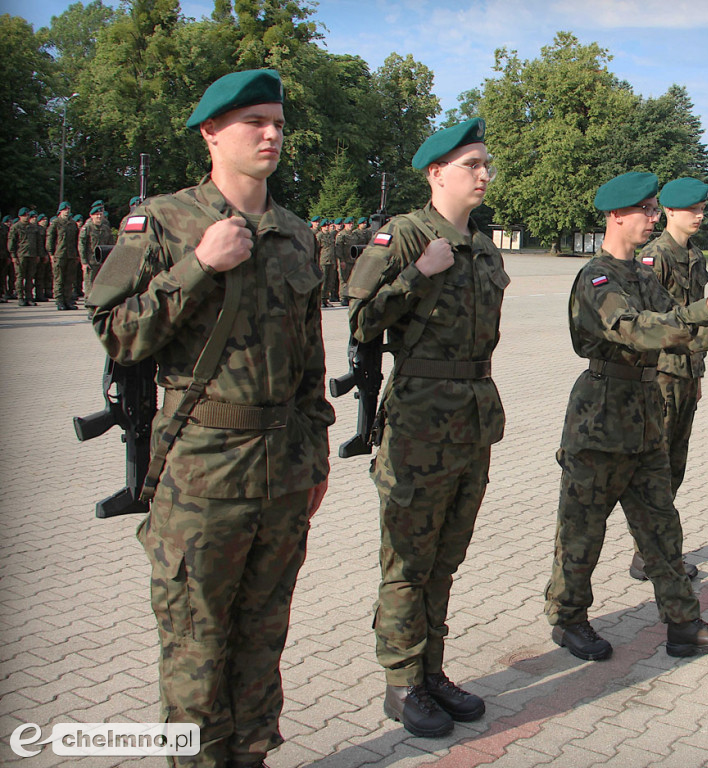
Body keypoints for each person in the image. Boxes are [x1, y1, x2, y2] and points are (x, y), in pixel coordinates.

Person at [88, 68, 335, 767]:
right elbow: (116, 330)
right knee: (197, 645)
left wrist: (315, 458)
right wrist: (197, 265)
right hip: (202, 473)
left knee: (263, 639)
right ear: (211, 133)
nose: (270, 134)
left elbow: (309, 357)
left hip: (283, 470)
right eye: (255, 122)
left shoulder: (294, 232)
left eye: (279, 124)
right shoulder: (164, 222)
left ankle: (252, 756)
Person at [544, 171, 708, 663]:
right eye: (646, 210)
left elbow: (676, 335)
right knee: (581, 532)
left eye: (656, 209)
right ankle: (569, 618)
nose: (654, 217)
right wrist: (702, 311)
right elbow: (638, 331)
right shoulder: (597, 277)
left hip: (644, 418)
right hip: (600, 419)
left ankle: (683, 624)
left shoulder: (641, 274)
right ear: (617, 215)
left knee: (662, 529)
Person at [347, 117, 506, 738]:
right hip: (418, 419)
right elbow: (361, 319)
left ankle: (432, 671)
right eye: (473, 165)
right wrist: (421, 273)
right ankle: (402, 682)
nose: (485, 174)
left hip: (472, 416)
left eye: (486, 164)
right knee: (408, 557)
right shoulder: (405, 236)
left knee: (446, 557)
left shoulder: (487, 245)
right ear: (437, 173)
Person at [629, 177, 708, 582]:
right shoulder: (655, 257)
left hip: (686, 372)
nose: (700, 216)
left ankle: (651, 550)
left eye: (703, 209)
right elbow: (656, 324)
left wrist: (698, 370)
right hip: (661, 375)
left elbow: (697, 313)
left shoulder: (695, 256)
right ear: (670, 211)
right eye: (693, 210)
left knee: (675, 466)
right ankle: (650, 554)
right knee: (656, 467)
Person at [47, 202, 80, 310]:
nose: (67, 211)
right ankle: (59, 301)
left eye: (68, 209)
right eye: (64, 209)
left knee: (69, 279)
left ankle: (68, 300)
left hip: (71, 255)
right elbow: (50, 239)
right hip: (59, 254)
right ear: (60, 211)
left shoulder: (72, 224)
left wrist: (77, 254)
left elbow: (76, 240)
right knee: (59, 279)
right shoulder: (56, 223)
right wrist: (51, 253)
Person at [79, 202, 113, 298]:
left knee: (102, 286)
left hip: (102, 262)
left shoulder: (106, 229)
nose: (98, 217)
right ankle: (90, 307)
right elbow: (81, 246)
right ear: (91, 216)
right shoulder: (87, 228)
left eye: (100, 215)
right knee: (90, 285)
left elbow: (111, 245)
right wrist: (84, 262)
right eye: (96, 215)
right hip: (91, 261)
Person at [7, 207, 40, 306]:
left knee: (30, 277)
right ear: (20, 216)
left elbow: (38, 242)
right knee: (20, 277)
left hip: (32, 254)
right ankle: (20, 297)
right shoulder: (16, 227)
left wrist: (38, 254)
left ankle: (29, 297)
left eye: (27, 215)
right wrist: (13, 256)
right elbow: (11, 243)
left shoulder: (33, 227)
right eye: (24, 215)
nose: (26, 217)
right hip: (21, 255)